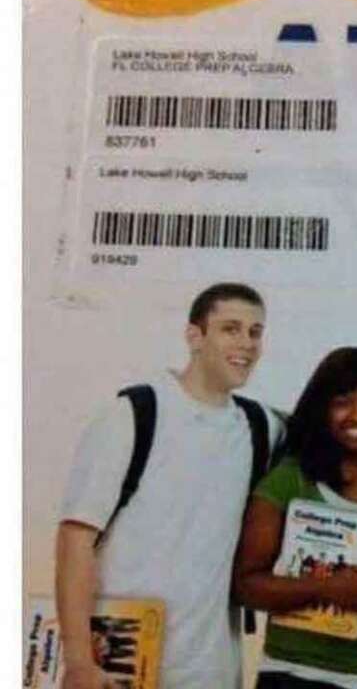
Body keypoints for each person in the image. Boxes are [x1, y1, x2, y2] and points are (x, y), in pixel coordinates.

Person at [57, 282, 281, 689]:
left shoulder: (259, 426)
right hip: (118, 663)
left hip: (211, 670)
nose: (246, 343)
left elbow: (336, 422)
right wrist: (77, 661)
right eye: (230, 328)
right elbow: (76, 538)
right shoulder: (133, 415)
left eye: (255, 332)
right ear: (194, 336)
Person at [234, 347, 357, 689]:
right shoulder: (290, 479)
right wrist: (325, 587)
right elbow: (247, 586)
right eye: (341, 402)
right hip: (297, 672)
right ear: (321, 409)